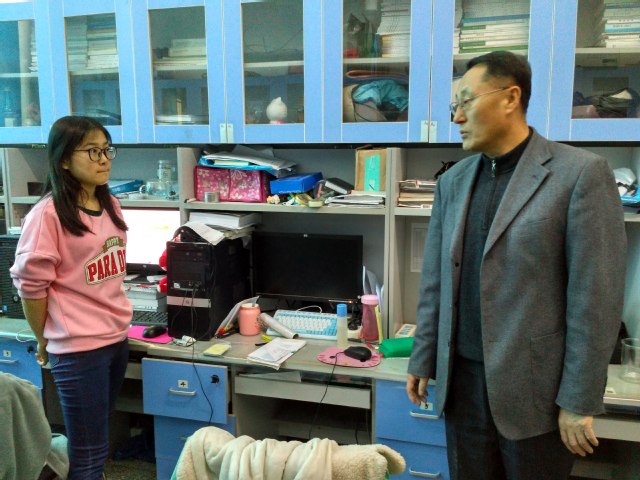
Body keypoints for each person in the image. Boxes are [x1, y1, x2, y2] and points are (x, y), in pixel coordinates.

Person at [406, 51, 626, 480]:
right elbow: (435, 281)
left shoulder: (579, 174)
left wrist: (578, 399)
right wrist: (423, 356)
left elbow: (595, 300)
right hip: (461, 389)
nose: (456, 118)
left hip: (536, 395)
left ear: (510, 98)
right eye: (454, 106)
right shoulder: (453, 181)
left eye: (465, 102)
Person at [10, 115, 131, 480]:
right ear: (64, 159)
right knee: (89, 453)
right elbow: (31, 286)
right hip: (78, 348)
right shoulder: (47, 215)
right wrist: (42, 339)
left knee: (98, 440)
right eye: (93, 151)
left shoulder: (110, 204)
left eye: (107, 149)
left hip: (115, 339)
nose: (104, 159)